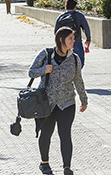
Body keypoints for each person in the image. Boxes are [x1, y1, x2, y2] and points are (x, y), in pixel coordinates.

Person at [29, 26, 87, 175]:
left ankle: (67, 167)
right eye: (70, 39)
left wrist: (83, 99)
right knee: (46, 133)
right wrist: (43, 70)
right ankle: (44, 163)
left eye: (73, 38)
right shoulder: (46, 54)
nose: (73, 41)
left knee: (65, 134)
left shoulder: (74, 59)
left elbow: (78, 80)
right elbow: (31, 72)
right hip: (46, 103)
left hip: (67, 103)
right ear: (61, 40)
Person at [54, 0, 91, 66]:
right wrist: (88, 39)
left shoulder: (61, 17)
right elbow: (86, 28)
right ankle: (75, 74)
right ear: (75, 7)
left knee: (64, 63)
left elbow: (56, 32)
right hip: (76, 41)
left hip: (63, 44)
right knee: (80, 62)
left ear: (66, 6)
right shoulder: (79, 16)